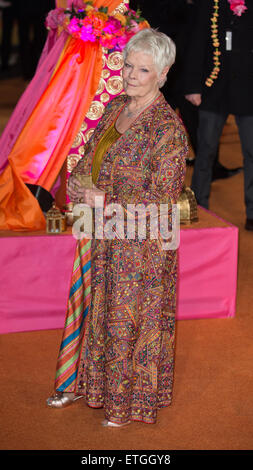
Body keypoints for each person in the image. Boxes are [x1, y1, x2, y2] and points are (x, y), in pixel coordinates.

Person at [47, 28, 188, 426]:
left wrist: (104, 199)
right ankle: (89, 386)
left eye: (141, 69)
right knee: (96, 314)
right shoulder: (115, 109)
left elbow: (163, 199)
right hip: (102, 234)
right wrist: (76, 181)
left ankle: (126, 406)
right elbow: (90, 152)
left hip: (141, 246)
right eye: (127, 64)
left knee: (126, 321)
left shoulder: (168, 130)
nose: (129, 74)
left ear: (162, 74)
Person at [130, 0, 242, 178]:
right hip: (165, 54)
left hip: (180, 55)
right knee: (161, 115)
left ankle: (210, 167)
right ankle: (145, 166)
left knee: (192, 116)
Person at [184, 0, 253, 230]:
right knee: (205, 151)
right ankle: (199, 208)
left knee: (252, 153)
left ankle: (252, 213)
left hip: (248, 91)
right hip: (214, 89)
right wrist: (193, 86)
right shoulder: (210, 5)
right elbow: (196, 44)